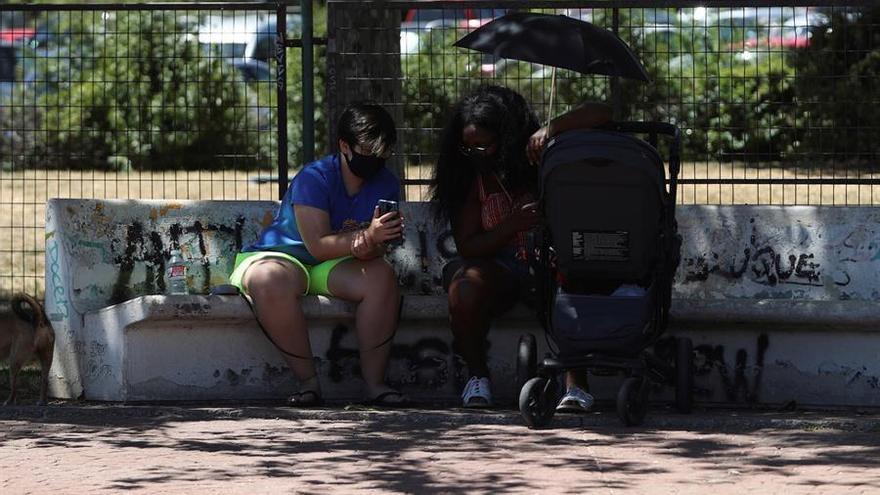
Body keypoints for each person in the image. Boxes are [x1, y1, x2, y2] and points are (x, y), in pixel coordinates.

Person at [429, 85, 611, 410]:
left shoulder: (540, 155)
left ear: (507, 135)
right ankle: (477, 378)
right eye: (468, 146)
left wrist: (552, 129)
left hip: (551, 261)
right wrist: (511, 226)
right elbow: (469, 246)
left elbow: (602, 112)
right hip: (499, 266)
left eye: (485, 144)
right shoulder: (468, 175)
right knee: (464, 286)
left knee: (574, 279)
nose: (476, 152)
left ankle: (576, 386)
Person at [228, 102, 407, 407]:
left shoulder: (386, 183)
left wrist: (377, 243)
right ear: (344, 146)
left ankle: (375, 384)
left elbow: (373, 249)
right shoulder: (316, 177)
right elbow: (317, 245)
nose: (376, 159)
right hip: (283, 256)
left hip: (335, 264)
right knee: (269, 281)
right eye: (367, 150)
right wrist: (367, 237)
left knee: (381, 277)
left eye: (383, 151)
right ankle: (308, 383)